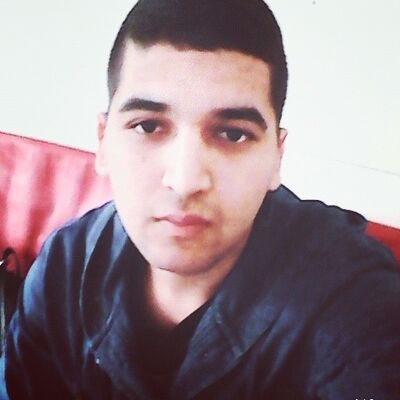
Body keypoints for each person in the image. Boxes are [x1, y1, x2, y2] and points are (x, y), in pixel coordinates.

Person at [4, 0, 400, 399]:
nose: (185, 181)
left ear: (277, 158)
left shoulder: (356, 302)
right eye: (147, 126)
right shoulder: (64, 267)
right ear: (103, 143)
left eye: (233, 134)